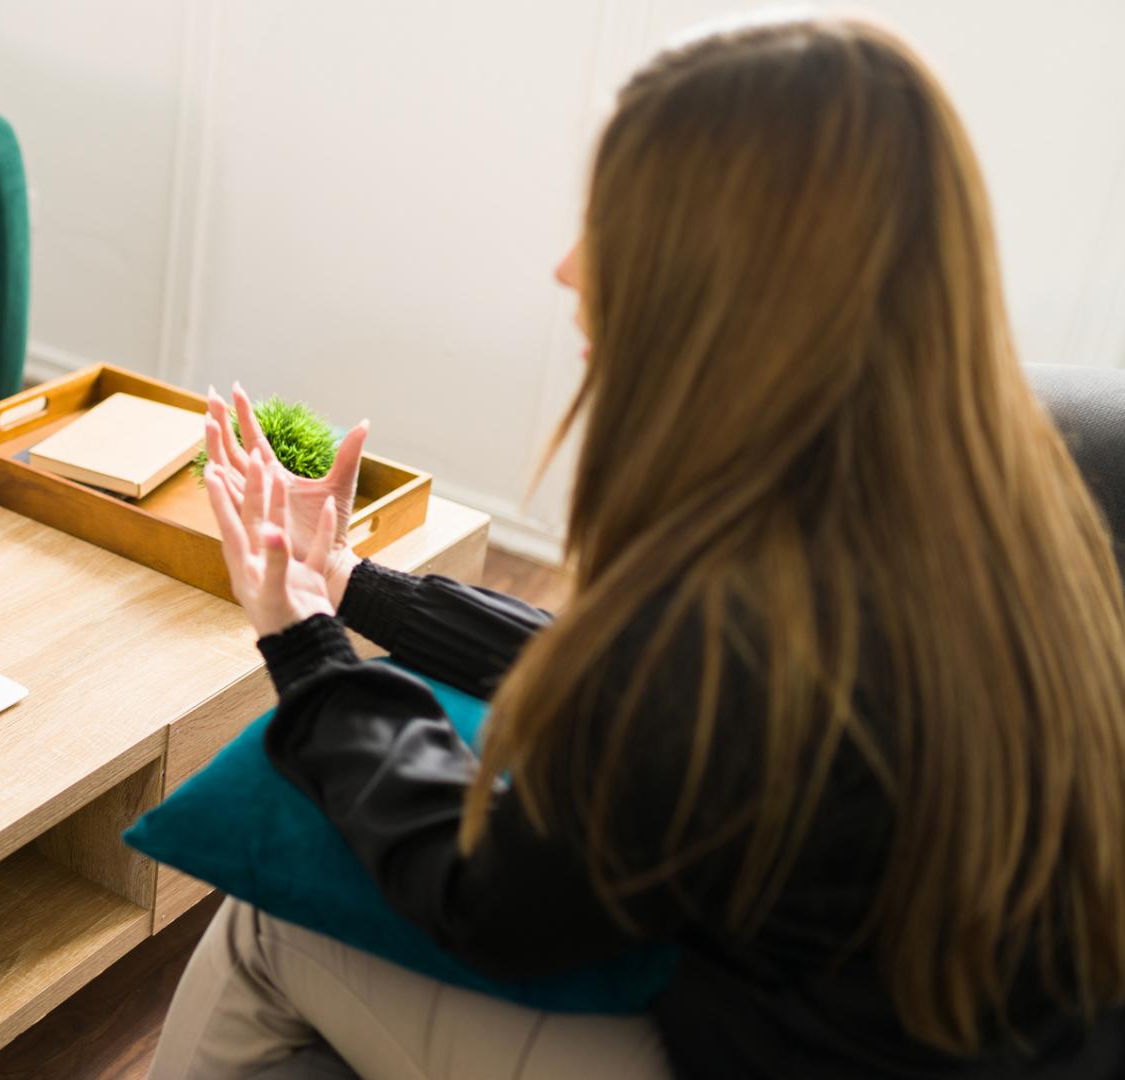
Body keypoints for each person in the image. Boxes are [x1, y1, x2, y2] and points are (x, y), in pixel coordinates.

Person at [150, 14, 1125, 1080]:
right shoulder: (994, 497)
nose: (569, 268)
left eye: (615, 220)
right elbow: (631, 695)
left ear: (729, 276)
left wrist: (299, 644)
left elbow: (485, 894)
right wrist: (347, 583)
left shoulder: (743, 604)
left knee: (268, 923)